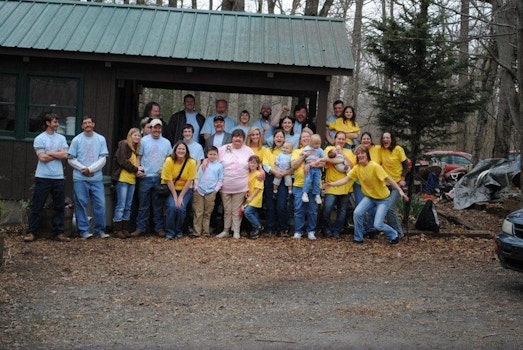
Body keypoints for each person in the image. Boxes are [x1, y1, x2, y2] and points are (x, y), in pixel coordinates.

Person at [323, 145, 409, 245]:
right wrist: (330, 184)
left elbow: (389, 179)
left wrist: (400, 191)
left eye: (362, 153)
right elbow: (345, 180)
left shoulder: (374, 166)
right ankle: (358, 238)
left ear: (367, 154)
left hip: (383, 199)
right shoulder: (357, 168)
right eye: (358, 154)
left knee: (378, 225)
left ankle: (394, 234)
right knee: (357, 213)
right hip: (369, 198)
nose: (360, 155)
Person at [24, 113, 70, 243]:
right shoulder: (40, 138)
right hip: (43, 176)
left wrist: (49, 152)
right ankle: (32, 232)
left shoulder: (61, 138)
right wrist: (57, 154)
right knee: (37, 205)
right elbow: (42, 158)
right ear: (48, 123)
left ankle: (58, 232)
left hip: (58, 177)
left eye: (57, 122)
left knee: (59, 205)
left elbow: (65, 155)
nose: (57, 124)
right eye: (55, 122)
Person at [68, 116, 109, 239]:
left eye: (89, 122)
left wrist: (90, 169)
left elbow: (103, 158)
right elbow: (71, 159)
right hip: (80, 178)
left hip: (96, 178)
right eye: (85, 123)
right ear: (82, 126)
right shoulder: (76, 140)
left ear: (93, 124)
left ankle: (100, 230)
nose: (87, 125)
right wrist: (83, 169)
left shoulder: (101, 139)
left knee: (100, 204)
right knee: (81, 204)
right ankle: (84, 231)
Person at [131, 118, 172, 237]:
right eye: (155, 127)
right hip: (145, 177)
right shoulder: (143, 141)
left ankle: (159, 228)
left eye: (159, 127)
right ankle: (140, 228)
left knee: (158, 205)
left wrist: (164, 169)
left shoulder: (166, 142)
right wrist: (138, 168)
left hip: (159, 177)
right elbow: (138, 156)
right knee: (143, 205)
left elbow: (169, 159)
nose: (157, 130)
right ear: (151, 128)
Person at [215, 129, 254, 239]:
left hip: (241, 186)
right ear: (231, 138)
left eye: (240, 137)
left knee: (237, 210)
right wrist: (205, 161)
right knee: (227, 210)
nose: (238, 139)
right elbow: (213, 159)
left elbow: (256, 164)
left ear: (243, 138)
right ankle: (226, 230)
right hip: (225, 186)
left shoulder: (248, 150)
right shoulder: (224, 149)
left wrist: (260, 171)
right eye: (235, 136)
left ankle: (236, 231)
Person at [321, 131, 355, 238]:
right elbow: (328, 160)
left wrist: (343, 155)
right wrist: (341, 159)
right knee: (327, 208)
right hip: (331, 184)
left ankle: (337, 231)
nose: (341, 141)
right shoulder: (329, 149)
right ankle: (325, 229)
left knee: (342, 211)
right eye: (339, 138)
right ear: (335, 139)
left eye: (343, 139)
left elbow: (352, 166)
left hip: (346, 186)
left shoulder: (349, 151)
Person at [161, 141, 197, 240]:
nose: (181, 151)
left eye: (183, 149)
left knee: (181, 208)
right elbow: (168, 180)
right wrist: (175, 197)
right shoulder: (169, 160)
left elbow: (190, 180)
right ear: (175, 150)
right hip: (170, 188)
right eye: (179, 149)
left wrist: (180, 197)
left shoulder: (191, 162)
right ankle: (170, 231)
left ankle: (179, 230)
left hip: (185, 189)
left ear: (186, 151)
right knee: (172, 207)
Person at [111, 128, 143, 239]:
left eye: (138, 136)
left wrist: (138, 171)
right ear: (130, 135)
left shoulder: (135, 149)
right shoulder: (124, 145)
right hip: (122, 178)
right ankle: (117, 229)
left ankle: (125, 228)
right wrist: (136, 169)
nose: (137, 138)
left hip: (132, 180)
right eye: (135, 135)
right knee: (121, 205)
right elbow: (122, 161)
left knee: (128, 206)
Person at [290, 129, 321, 240]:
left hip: (313, 186)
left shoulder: (317, 150)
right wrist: (304, 155)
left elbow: (323, 162)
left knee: (312, 210)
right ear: (300, 140)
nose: (306, 138)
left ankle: (311, 231)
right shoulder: (296, 152)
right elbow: (293, 166)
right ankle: (298, 231)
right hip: (299, 185)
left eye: (308, 137)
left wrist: (311, 164)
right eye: (304, 137)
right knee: (299, 209)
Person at [262, 129, 291, 236]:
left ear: (284, 139)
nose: (279, 138)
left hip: (283, 179)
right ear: (273, 139)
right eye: (277, 137)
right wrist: (274, 172)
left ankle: (283, 228)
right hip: (271, 177)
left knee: (281, 204)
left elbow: (292, 164)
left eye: (281, 137)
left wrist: (283, 173)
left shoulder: (287, 151)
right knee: (270, 204)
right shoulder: (268, 150)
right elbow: (265, 164)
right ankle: (270, 228)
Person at [379, 131, 408, 238]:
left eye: (387, 138)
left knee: (390, 208)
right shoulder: (381, 150)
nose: (385, 140)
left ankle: (399, 233)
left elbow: (405, 165)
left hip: (397, 184)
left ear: (391, 139)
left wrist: (402, 179)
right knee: (386, 209)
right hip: (385, 185)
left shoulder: (398, 149)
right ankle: (393, 232)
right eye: (384, 138)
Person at [192, 146, 224, 238]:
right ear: (207, 154)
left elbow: (220, 179)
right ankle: (196, 232)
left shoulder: (219, 166)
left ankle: (206, 232)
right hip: (199, 190)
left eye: (214, 154)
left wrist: (215, 190)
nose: (212, 156)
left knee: (207, 212)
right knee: (198, 211)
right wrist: (196, 187)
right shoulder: (203, 163)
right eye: (210, 154)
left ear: (217, 155)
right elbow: (197, 176)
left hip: (211, 191)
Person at [242, 155, 264, 239]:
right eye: (251, 162)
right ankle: (256, 231)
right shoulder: (248, 173)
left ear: (258, 165)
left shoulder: (258, 174)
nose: (252, 164)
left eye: (255, 163)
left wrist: (251, 197)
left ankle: (258, 226)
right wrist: (247, 192)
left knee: (247, 212)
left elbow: (258, 187)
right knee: (254, 213)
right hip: (250, 195)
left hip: (256, 196)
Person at [301, 134, 326, 205]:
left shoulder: (320, 150)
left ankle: (317, 195)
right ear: (311, 143)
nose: (317, 145)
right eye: (315, 144)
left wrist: (319, 160)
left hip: (317, 168)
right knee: (308, 180)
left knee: (317, 181)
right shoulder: (307, 148)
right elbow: (302, 153)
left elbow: (325, 158)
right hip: (309, 168)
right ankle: (305, 193)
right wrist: (305, 153)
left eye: (319, 144)